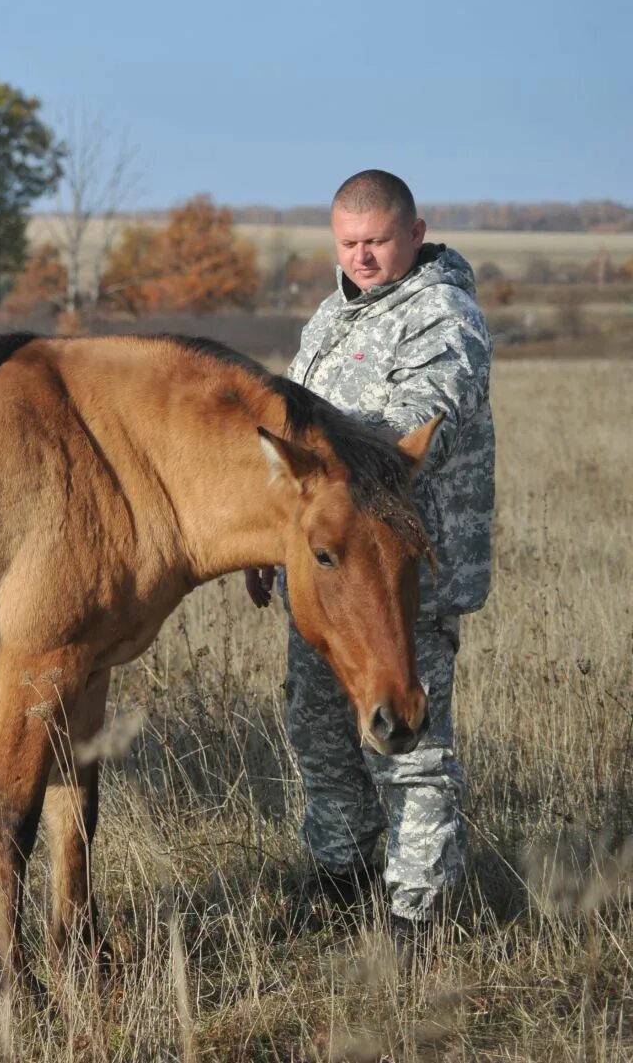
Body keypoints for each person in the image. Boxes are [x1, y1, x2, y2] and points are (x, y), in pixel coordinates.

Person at [247, 169, 495, 946]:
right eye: (350, 242)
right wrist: (275, 532)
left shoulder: (443, 314)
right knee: (319, 730)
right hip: (324, 574)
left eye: (379, 240)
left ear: (415, 234)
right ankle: (340, 875)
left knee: (410, 745)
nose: (363, 255)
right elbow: (295, 443)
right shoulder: (330, 316)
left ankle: (418, 914)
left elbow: (425, 421)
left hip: (398, 576)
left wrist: (339, 469)